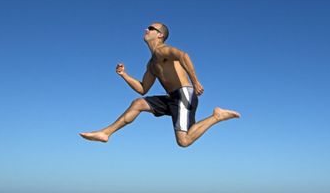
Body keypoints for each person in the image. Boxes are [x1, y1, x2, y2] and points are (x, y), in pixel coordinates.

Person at [79, 22, 240, 147]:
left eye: (151, 28)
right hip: (172, 98)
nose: (146, 29)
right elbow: (142, 89)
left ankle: (217, 116)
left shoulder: (162, 50)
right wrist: (124, 75)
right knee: (138, 103)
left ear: (160, 34)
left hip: (184, 94)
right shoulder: (152, 64)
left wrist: (195, 81)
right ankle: (106, 133)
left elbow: (183, 55)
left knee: (183, 141)